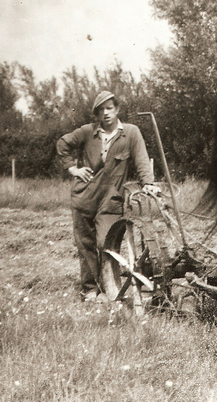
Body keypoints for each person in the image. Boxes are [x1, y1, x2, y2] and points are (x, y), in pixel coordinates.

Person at [57, 91, 160, 302]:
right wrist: (73, 169)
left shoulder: (131, 133)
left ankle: (108, 289)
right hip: (84, 197)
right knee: (85, 244)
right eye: (101, 110)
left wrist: (148, 183)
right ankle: (89, 291)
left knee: (107, 244)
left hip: (111, 200)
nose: (106, 113)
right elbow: (62, 144)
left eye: (110, 108)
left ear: (117, 109)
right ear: (96, 113)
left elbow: (141, 160)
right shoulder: (87, 132)